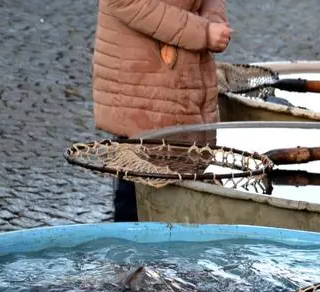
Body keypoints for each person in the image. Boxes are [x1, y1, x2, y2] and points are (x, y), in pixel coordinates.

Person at [92, 0, 233, 222]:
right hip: (141, 82)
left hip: (185, 82)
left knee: (182, 188)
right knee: (138, 193)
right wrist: (201, 32)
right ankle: (130, 254)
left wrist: (214, 20)